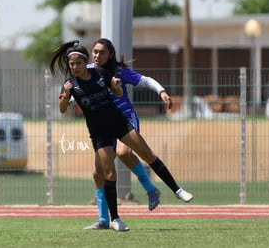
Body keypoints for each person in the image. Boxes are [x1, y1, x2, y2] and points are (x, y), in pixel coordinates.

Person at [49, 40, 193, 231]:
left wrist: (161, 91)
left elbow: (128, 87)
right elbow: (65, 104)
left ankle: (172, 189)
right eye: (95, 52)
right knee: (99, 172)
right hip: (99, 132)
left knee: (129, 153)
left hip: (122, 119)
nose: (97, 56)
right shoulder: (76, 78)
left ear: (110, 54)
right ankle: (106, 219)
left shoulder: (109, 72)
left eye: (101, 52)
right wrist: (67, 96)